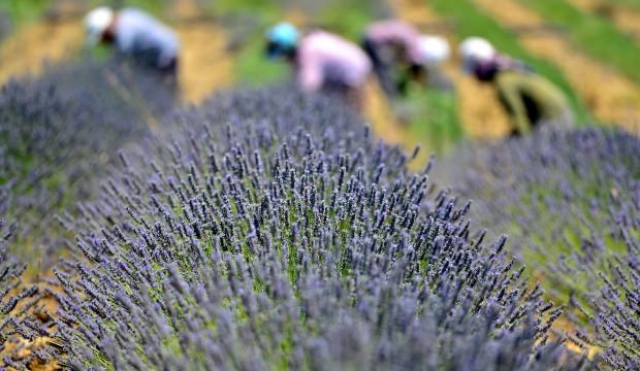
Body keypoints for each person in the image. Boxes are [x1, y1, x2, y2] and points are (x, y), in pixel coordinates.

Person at [459, 37, 573, 137]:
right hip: (558, 111)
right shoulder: (510, 69)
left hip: (551, 116)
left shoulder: (503, 81)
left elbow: (518, 115)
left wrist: (520, 141)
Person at [265, 22, 372, 111]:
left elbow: (310, 85)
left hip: (353, 73)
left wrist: (292, 104)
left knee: (352, 110)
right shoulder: (310, 38)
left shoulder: (308, 51)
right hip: (358, 63)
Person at [83, 6, 180, 80]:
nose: (103, 42)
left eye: (103, 37)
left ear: (106, 29)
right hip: (158, 53)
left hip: (165, 54)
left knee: (164, 89)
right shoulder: (125, 17)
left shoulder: (125, 32)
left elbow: (122, 62)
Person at [362, 19, 451, 97]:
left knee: (385, 63)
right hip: (373, 40)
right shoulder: (413, 47)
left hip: (370, 32)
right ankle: (391, 98)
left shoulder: (413, 35)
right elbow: (413, 66)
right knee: (384, 70)